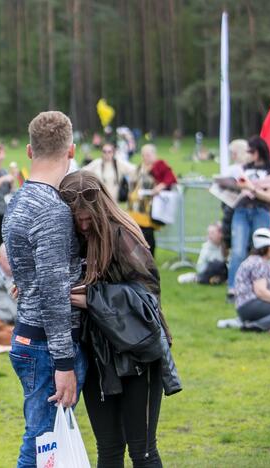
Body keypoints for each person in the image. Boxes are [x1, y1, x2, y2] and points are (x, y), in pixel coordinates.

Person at [60, 170, 181, 468]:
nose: (83, 224)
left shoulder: (122, 234)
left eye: (89, 218)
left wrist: (95, 298)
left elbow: (148, 298)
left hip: (138, 353)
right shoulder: (69, 239)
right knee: (109, 449)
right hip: (97, 353)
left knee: (143, 451)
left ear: (100, 209)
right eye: (77, 218)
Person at [2, 111, 85, 467]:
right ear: (71, 151)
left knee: (43, 441)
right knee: (42, 446)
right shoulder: (53, 210)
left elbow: (22, 270)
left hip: (28, 337)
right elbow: (54, 293)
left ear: (29, 151)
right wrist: (64, 363)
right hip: (46, 346)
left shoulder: (17, 201)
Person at [227, 136, 270, 301]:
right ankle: (233, 289)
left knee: (262, 250)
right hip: (242, 211)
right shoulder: (243, 169)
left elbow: (269, 196)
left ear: (258, 152)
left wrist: (251, 188)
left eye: (251, 151)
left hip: (260, 211)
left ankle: (264, 288)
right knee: (237, 250)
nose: (248, 154)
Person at [127, 144, 178, 255]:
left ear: (154, 154)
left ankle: (150, 259)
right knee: (136, 233)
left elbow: (171, 177)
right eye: (143, 155)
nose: (146, 157)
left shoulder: (159, 165)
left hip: (148, 208)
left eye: (148, 154)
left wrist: (161, 186)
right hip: (135, 208)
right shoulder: (140, 167)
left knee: (148, 234)